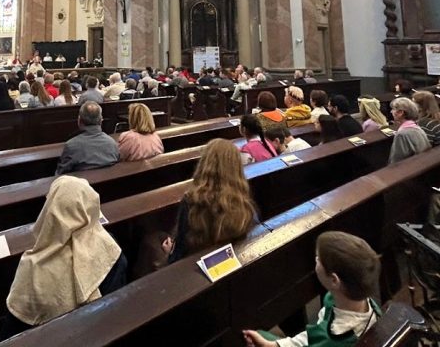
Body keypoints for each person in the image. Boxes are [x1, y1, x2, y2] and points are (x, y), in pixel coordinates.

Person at [2, 176, 127, 336]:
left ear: (51, 210)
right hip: (102, 331)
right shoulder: (110, 246)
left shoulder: (35, 268)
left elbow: (14, 327)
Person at [243, 231, 381, 347]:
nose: (315, 259)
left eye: (318, 259)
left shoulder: (335, 337)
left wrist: (271, 345)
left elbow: (318, 340)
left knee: (258, 335)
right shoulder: (362, 301)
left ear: (334, 280)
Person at [163, 138, 257, 263]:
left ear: (204, 164)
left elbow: (180, 253)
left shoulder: (191, 201)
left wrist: (169, 253)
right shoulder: (244, 202)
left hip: (194, 267)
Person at [55, 101, 120, 174]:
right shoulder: (112, 143)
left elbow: (60, 173)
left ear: (79, 121)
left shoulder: (71, 146)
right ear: (101, 121)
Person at [389, 97, 431, 163]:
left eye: (393, 109)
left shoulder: (402, 134)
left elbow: (396, 161)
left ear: (400, 112)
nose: (391, 111)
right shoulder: (417, 127)